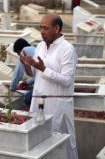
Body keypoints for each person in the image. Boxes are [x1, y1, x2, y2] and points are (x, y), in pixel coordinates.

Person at [20, 14, 78, 159]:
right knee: (39, 144)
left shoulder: (67, 50)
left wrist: (43, 68)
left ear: (57, 29)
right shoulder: (40, 46)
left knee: (61, 146)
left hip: (58, 106)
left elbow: (67, 81)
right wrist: (27, 65)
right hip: (38, 103)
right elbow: (33, 74)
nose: (42, 31)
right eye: (40, 28)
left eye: (46, 28)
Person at [10, 38, 36, 105]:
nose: (19, 55)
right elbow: (38, 75)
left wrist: (12, 89)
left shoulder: (24, 51)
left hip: (43, 87)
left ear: (19, 50)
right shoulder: (34, 49)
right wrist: (27, 82)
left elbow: (18, 73)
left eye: (18, 53)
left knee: (27, 98)